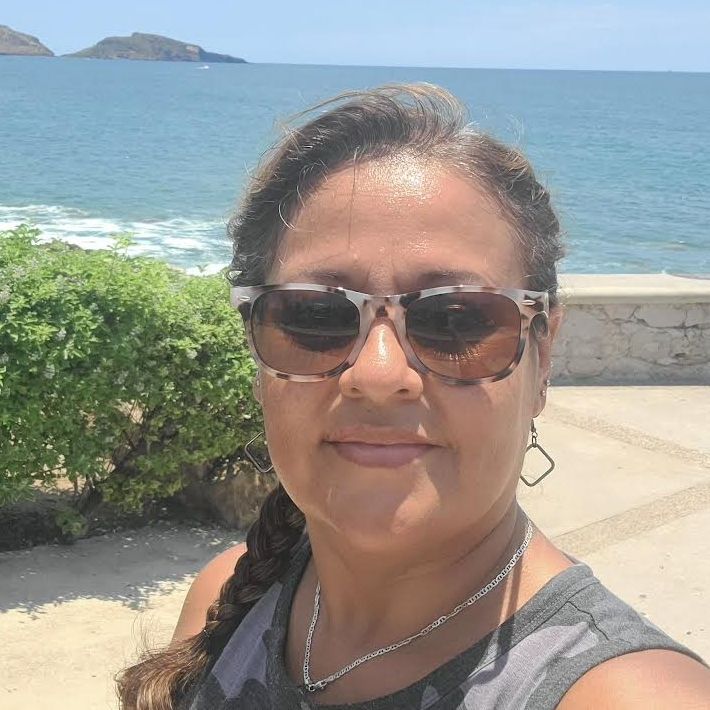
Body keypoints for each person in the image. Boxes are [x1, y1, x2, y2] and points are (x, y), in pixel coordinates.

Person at [117, 83, 710, 710]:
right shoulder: (226, 599)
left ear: (543, 353)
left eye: (455, 318)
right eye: (315, 316)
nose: (377, 375)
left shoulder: (623, 694)